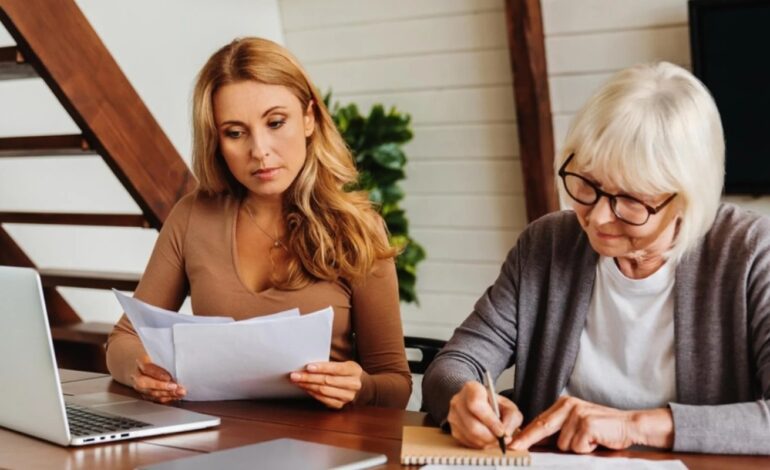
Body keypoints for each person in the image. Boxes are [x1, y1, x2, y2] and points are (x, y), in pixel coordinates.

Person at [422, 61, 770, 454]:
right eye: (587, 184)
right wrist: (462, 399)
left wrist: (635, 426)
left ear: (686, 199)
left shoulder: (751, 253)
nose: (599, 217)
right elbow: (454, 363)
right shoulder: (547, 244)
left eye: (630, 200)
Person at [106, 37, 411, 410]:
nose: (260, 151)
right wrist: (143, 370)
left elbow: (395, 384)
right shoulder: (192, 217)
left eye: (276, 122)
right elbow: (122, 339)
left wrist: (359, 387)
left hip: (327, 452)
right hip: (216, 443)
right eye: (235, 133)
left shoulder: (357, 229)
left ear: (309, 118)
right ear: (216, 141)